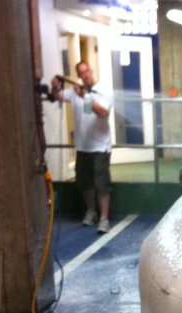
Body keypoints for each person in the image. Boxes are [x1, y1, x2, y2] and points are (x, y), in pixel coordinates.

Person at [51, 61, 113, 233]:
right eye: (81, 72)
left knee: (102, 184)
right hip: (83, 146)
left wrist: (85, 96)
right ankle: (91, 212)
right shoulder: (74, 92)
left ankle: (104, 219)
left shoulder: (103, 90)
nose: (85, 75)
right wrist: (55, 87)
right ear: (79, 75)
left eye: (87, 71)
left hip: (100, 146)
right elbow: (57, 96)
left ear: (91, 71)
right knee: (85, 183)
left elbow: (102, 113)